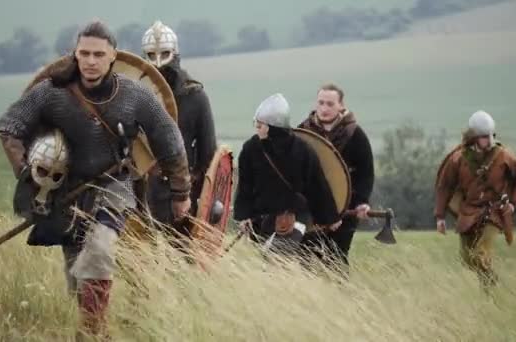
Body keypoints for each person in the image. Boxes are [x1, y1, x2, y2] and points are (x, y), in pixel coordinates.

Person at [0, 20, 191, 340]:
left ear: (112, 56)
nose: (90, 60)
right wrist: (29, 173)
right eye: (84, 53)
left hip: (115, 185)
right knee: (77, 275)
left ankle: (93, 332)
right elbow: (10, 127)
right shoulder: (52, 92)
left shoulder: (134, 95)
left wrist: (181, 191)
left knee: (99, 249)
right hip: (67, 191)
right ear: (75, 54)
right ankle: (91, 322)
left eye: (98, 54)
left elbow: (170, 142)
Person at [233, 93, 339, 256]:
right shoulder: (250, 149)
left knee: (275, 263)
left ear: (272, 127)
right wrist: (244, 215)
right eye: (256, 123)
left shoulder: (301, 150)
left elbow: (317, 185)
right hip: (262, 221)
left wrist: (329, 217)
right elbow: (245, 186)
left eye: (260, 125)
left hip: (293, 218)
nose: (257, 128)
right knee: (267, 265)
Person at [435, 110, 516, 289]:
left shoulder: (503, 155)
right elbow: (444, 186)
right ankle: (488, 281)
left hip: (493, 212)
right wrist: (440, 217)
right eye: (485, 137)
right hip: (468, 212)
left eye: (491, 136)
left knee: (480, 253)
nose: (490, 141)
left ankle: (490, 285)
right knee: (466, 259)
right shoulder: (458, 158)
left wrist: (513, 203)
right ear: (473, 137)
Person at [141, 21, 217, 235]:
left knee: (183, 252)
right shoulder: (138, 96)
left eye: (164, 53)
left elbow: (208, 154)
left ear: (174, 53)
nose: (158, 62)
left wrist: (197, 194)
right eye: (151, 54)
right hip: (146, 189)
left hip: (185, 191)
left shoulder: (195, 96)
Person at [298, 83, 375, 270]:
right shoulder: (303, 131)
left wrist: (361, 202)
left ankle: (340, 296)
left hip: (346, 206)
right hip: (311, 208)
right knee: (305, 258)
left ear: (341, 105)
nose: (324, 108)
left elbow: (366, 173)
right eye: (321, 103)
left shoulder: (355, 134)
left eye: (330, 104)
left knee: (336, 258)